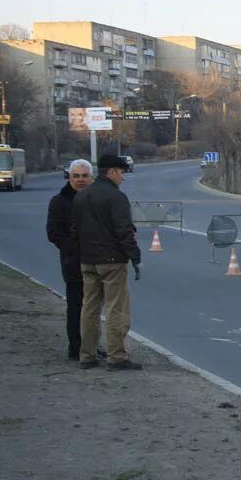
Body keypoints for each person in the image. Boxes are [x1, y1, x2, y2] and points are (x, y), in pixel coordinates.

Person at [73, 154, 142, 371]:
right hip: (112, 261)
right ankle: (116, 356)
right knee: (116, 309)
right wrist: (135, 256)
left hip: (88, 260)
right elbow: (124, 230)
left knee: (89, 308)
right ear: (111, 172)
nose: (122, 177)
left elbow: (75, 231)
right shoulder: (116, 197)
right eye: (121, 172)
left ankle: (87, 355)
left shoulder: (81, 196)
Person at [46, 160, 94, 360]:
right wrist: (74, 250)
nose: (80, 180)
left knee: (92, 309)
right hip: (74, 263)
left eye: (84, 176)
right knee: (76, 307)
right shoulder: (60, 201)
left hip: (97, 261)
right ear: (69, 177)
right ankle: (76, 348)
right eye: (76, 176)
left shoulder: (95, 199)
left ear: (91, 178)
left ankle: (90, 346)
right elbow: (54, 233)